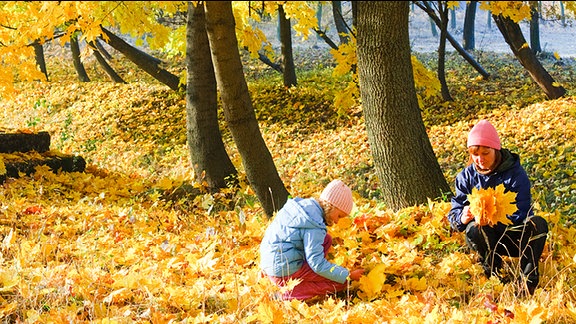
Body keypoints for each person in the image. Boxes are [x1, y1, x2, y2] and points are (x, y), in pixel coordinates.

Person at [447, 119, 548, 295]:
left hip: (514, 236)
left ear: (496, 149)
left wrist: (496, 214)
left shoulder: (515, 174)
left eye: (486, 153)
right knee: (473, 228)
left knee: (538, 223)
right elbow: (455, 212)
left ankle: (527, 282)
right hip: (485, 238)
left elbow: (522, 210)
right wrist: (461, 218)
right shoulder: (466, 177)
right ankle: (493, 274)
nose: (480, 159)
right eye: (475, 154)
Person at [259, 179, 365, 301]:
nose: (337, 221)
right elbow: (317, 264)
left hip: (270, 263)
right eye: (339, 216)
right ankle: (286, 294)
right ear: (331, 205)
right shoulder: (314, 224)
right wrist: (348, 275)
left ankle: (290, 279)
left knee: (326, 239)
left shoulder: (302, 208)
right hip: (282, 271)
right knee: (341, 283)